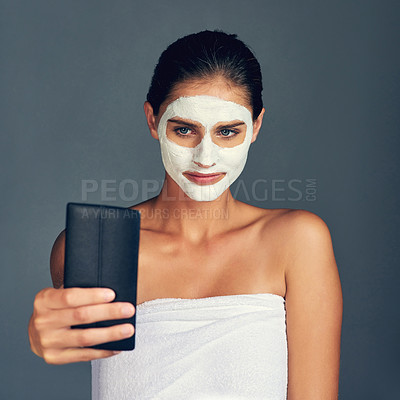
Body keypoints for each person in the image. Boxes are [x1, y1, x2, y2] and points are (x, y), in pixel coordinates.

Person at [28, 30, 343, 399]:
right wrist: (42, 337)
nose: (205, 157)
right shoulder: (98, 246)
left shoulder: (297, 241)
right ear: (152, 120)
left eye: (227, 131)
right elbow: (68, 337)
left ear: (255, 127)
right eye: (184, 129)